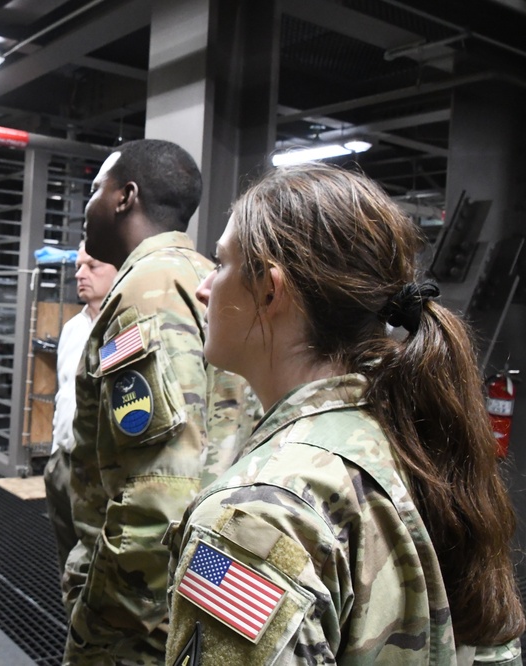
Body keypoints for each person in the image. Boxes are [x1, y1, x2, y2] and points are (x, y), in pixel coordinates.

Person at [167, 162, 524, 664]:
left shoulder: (255, 516)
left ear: (270, 290)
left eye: (221, 263)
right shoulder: (417, 436)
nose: (205, 287)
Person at [62, 139, 254, 665]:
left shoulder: (148, 291)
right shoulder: (202, 277)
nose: (88, 205)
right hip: (201, 580)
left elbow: (160, 495)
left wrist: (94, 630)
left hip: (144, 615)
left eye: (96, 189)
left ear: (126, 197)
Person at [44, 241, 118, 574]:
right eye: (77, 266)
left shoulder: (126, 329)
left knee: (101, 569)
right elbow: (65, 395)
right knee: (67, 567)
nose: (80, 274)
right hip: (62, 463)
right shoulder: (72, 329)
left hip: (102, 473)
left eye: (92, 266)